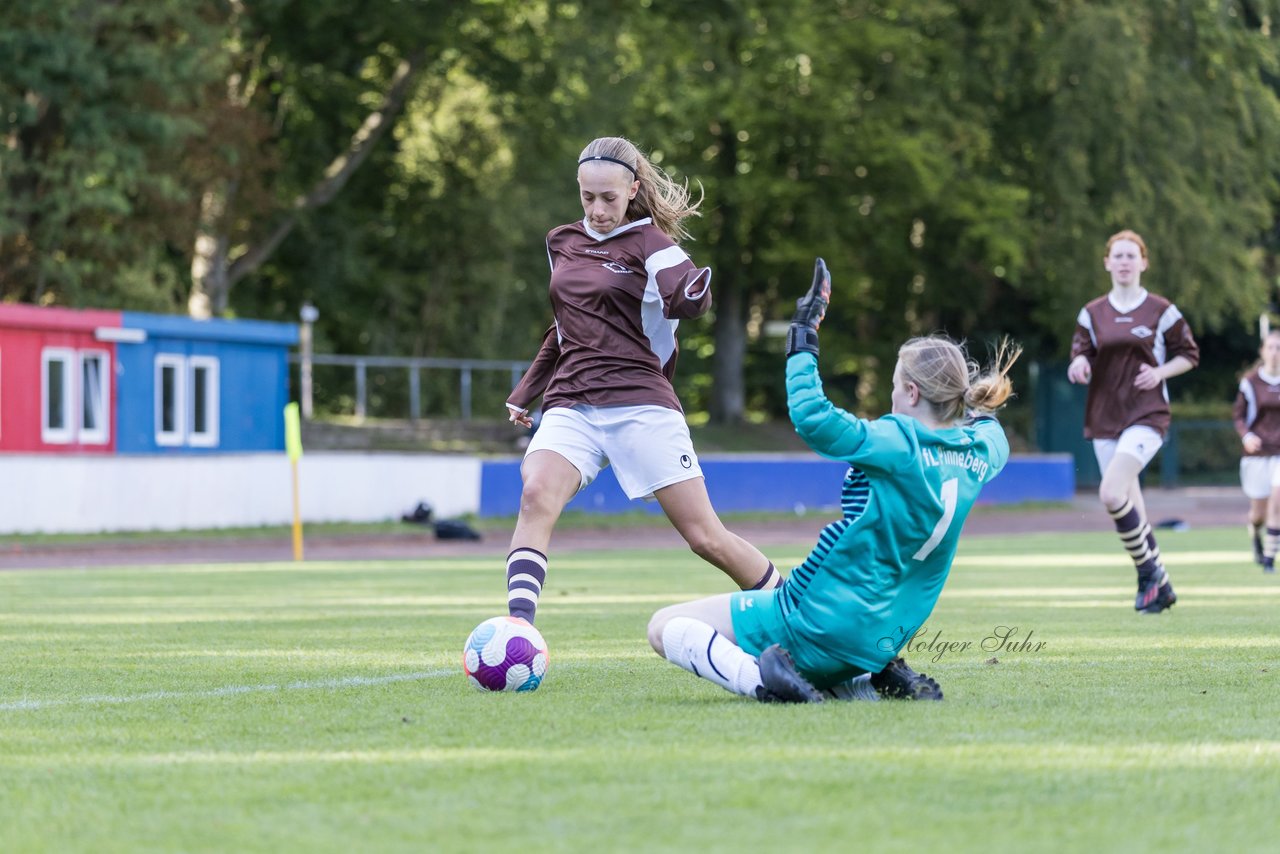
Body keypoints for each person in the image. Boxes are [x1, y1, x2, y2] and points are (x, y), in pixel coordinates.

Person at [646, 258, 1021, 703]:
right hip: (885, 636)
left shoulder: (898, 439)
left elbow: (813, 417)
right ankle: (869, 683)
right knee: (831, 645)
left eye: (897, 386)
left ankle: (764, 682)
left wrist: (803, 337)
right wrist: (970, 409)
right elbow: (989, 427)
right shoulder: (983, 450)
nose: (893, 395)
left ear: (914, 394)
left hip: (816, 621)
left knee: (663, 626)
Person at [502, 136, 781, 626]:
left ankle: (802, 611)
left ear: (633, 188)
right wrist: (528, 389)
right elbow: (564, 326)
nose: (597, 209)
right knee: (535, 494)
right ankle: (517, 630)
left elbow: (686, 292)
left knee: (704, 537)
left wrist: (693, 295)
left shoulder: (653, 245)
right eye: (587, 197)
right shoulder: (561, 241)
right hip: (572, 400)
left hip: (638, 403)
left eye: (609, 197)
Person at [1067, 229, 1200, 613]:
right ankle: (1161, 582)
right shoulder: (1091, 313)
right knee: (1130, 503)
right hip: (1105, 415)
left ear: (1143, 262)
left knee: (1111, 494)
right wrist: (1078, 364)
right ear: (1107, 262)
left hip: (1146, 414)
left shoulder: (1161, 310)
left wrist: (1160, 373)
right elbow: (1081, 353)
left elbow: (1189, 355)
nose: (1124, 262)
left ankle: (1147, 575)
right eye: (1118, 256)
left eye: (1131, 256)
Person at [1233, 329, 1280, 574]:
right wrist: (1247, 436)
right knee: (1258, 512)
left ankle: (1271, 559)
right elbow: (1239, 416)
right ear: (1263, 351)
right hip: (1257, 455)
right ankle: (1256, 537)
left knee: (1278, 501)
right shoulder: (1250, 382)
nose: (1275, 353)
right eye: (1271, 347)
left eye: (1279, 348)